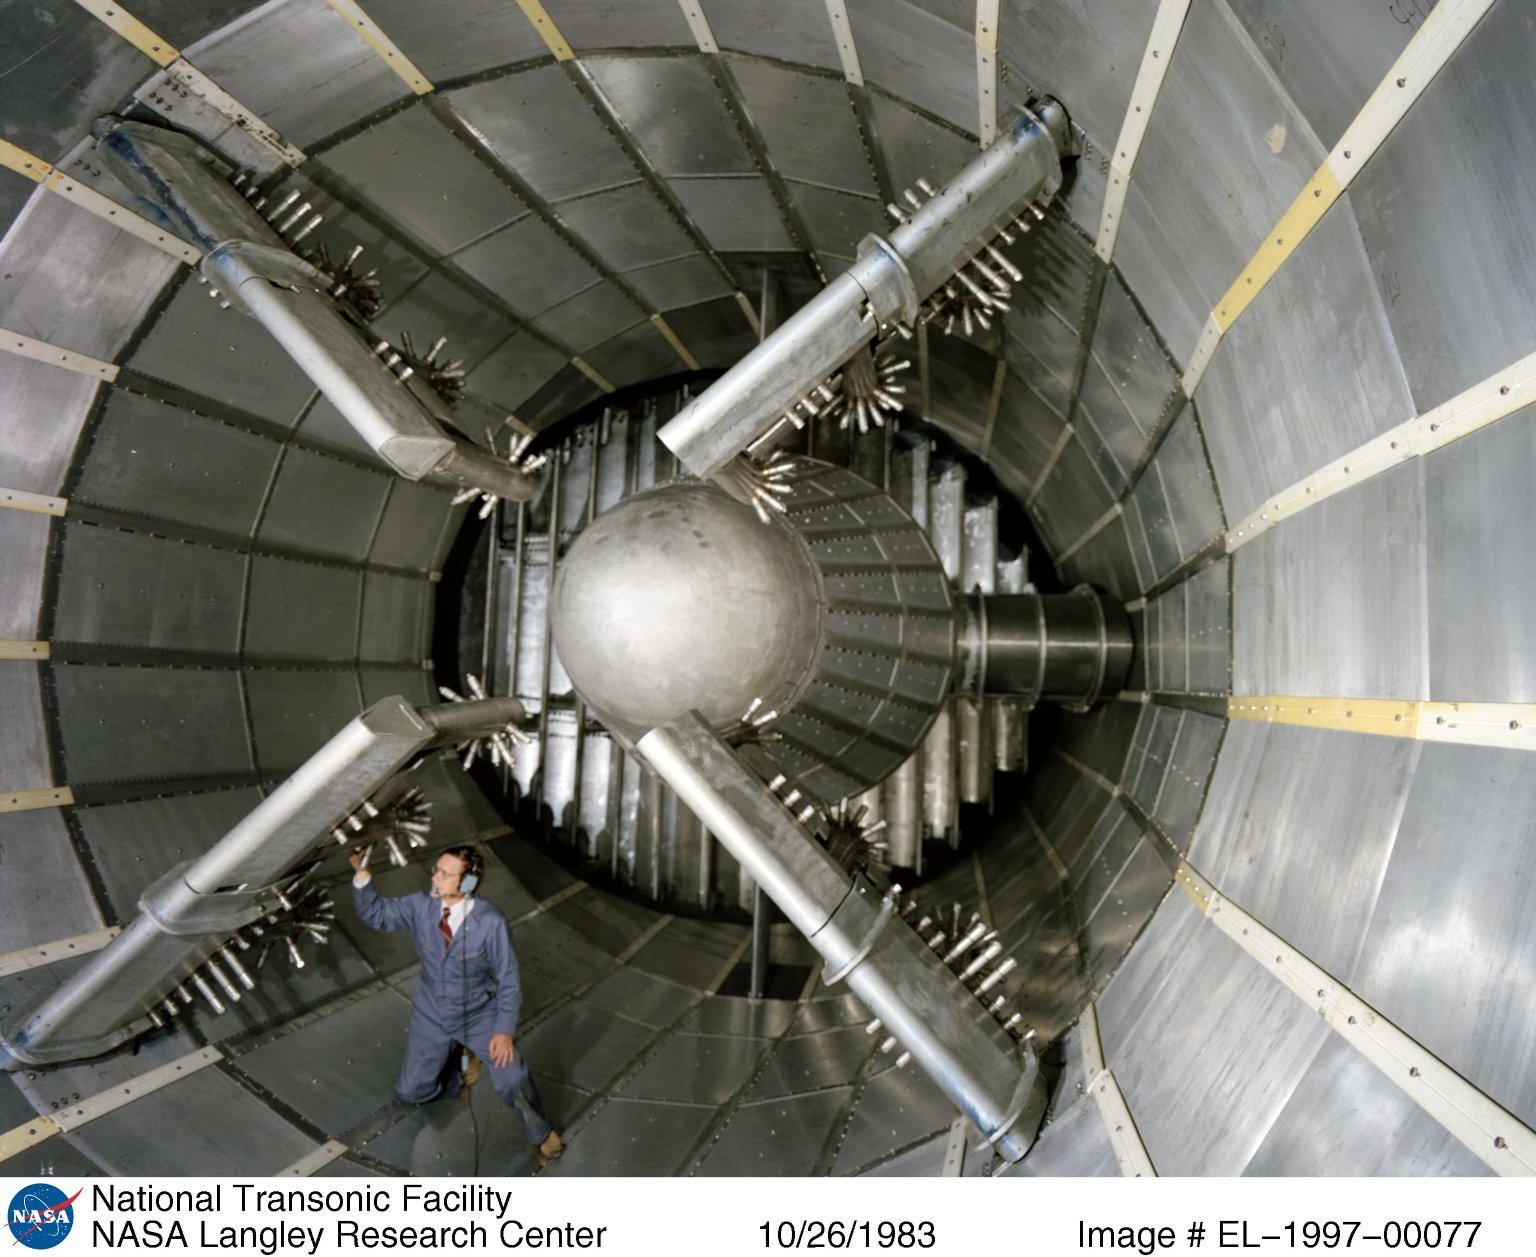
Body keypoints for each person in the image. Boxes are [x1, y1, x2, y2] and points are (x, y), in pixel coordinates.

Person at [350, 843, 563, 1167]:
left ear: (466, 884)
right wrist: (361, 875)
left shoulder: (491, 922)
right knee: (411, 1092)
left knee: (512, 1077)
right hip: (432, 1012)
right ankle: (456, 1064)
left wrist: (503, 1032)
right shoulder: (420, 905)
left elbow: (508, 980)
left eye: (444, 874)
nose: (434, 878)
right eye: (436, 870)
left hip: (479, 1013)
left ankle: (541, 1131)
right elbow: (378, 915)